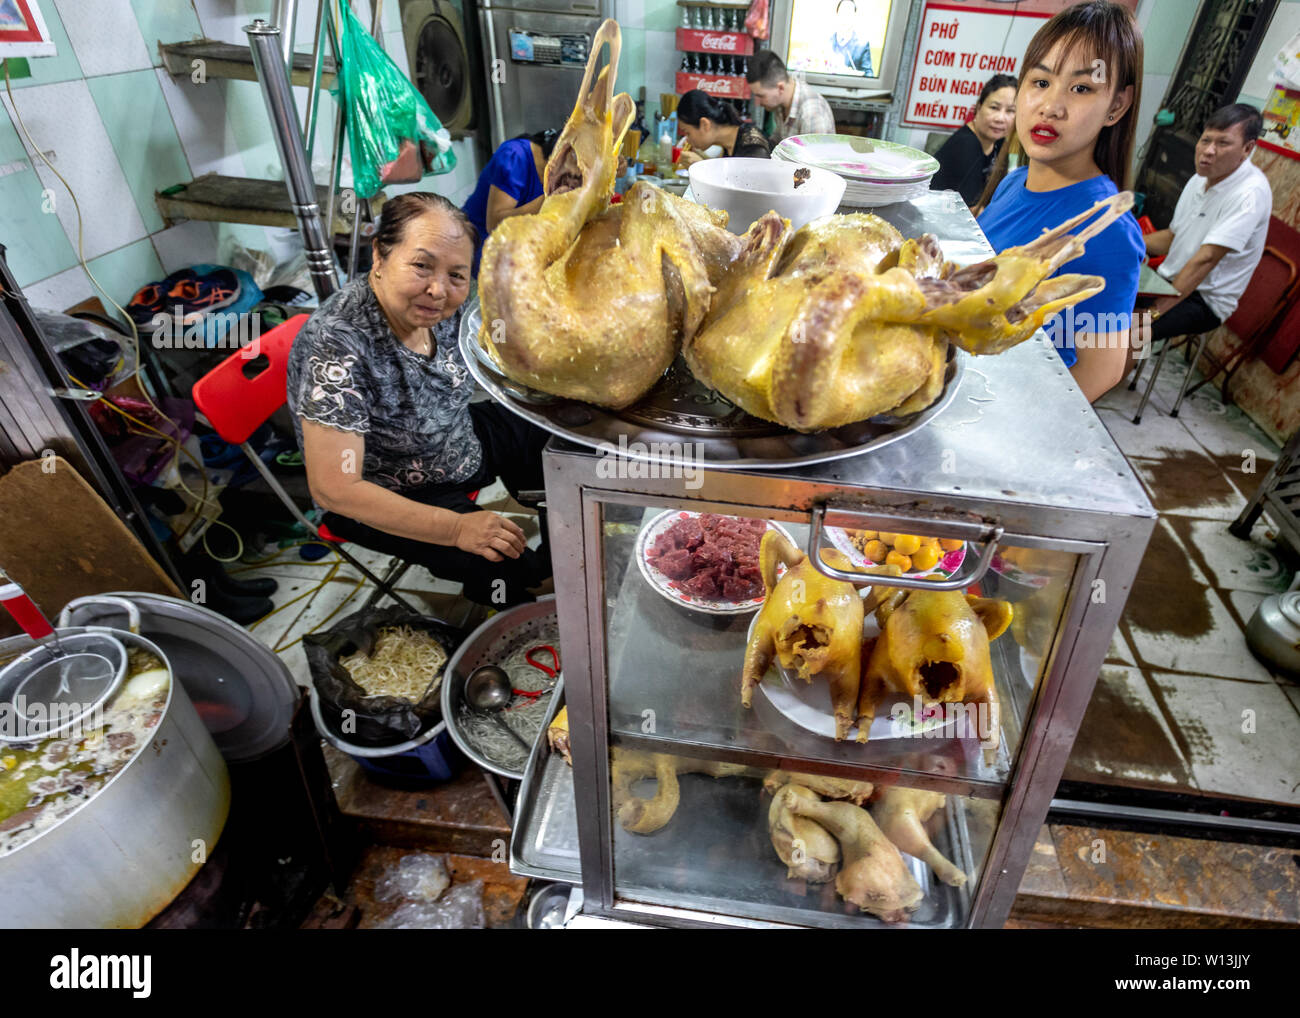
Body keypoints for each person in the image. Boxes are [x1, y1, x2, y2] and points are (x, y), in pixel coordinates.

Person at [287, 193, 551, 608]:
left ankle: (557, 549)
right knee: (499, 559)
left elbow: (509, 336)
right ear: (380, 254)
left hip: (454, 439)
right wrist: (455, 529)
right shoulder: (337, 344)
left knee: (555, 441)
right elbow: (334, 489)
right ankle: (516, 605)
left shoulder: (445, 309)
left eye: (456, 275)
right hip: (385, 486)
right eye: (421, 265)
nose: (438, 290)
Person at [976, 1, 1145, 403]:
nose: (1051, 106)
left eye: (1082, 88)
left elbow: (1100, 372)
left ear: (1117, 106)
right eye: (1040, 82)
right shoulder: (1014, 181)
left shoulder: (1106, 229)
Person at [1142, 104, 1272, 344]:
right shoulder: (1200, 178)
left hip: (1205, 299)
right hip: (1171, 280)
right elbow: (1172, 237)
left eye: (1223, 143)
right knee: (1105, 300)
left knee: (1129, 332)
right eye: (1205, 140)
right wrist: (1125, 242)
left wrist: (1154, 313)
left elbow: (1207, 258)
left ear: (1247, 148)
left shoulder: (1250, 193)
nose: (1208, 151)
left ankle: (1105, 378)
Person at [461, 129, 558, 275]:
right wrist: (546, 201)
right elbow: (494, 223)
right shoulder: (515, 156)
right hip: (475, 245)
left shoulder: (557, 174)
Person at [931, 74, 1017, 207]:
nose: (1000, 118)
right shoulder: (967, 145)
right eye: (994, 108)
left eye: (1010, 111)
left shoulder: (999, 142)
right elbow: (968, 212)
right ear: (978, 107)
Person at [746, 50, 836, 144]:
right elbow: (778, 143)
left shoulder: (811, 114)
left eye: (761, 96)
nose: (757, 103)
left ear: (780, 88)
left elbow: (815, 157)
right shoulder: (781, 103)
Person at [676, 90, 770, 167]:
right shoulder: (730, 143)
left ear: (705, 124)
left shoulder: (753, 147)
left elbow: (742, 186)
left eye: (688, 133)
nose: (687, 140)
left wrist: (702, 167)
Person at [830, 0, 873, 75]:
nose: (845, 17)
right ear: (837, 15)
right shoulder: (826, 42)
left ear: (854, 17)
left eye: (849, 13)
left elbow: (869, 75)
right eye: (843, 12)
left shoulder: (862, 45)